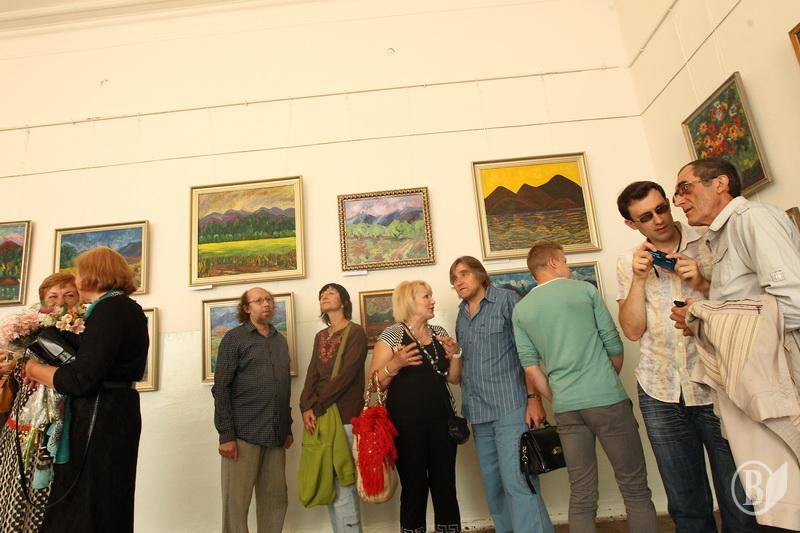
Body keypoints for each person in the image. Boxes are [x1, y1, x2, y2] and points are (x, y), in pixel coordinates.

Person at [615, 180, 757, 531]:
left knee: (739, 493)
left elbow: (745, 311)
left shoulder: (710, 243)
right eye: (646, 217)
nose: (658, 220)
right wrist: (638, 280)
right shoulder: (628, 262)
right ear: (632, 224)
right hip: (659, 389)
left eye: (661, 208)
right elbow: (632, 330)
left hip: (716, 383)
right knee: (685, 501)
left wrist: (703, 283)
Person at [513, 241, 658, 533]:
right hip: (607, 399)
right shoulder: (584, 291)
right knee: (634, 488)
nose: (568, 267)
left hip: (567, 408)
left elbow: (531, 368)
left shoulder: (521, 310)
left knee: (581, 492)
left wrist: (558, 397)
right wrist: (606, 379)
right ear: (553, 262)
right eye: (565, 261)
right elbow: (614, 345)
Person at [25, 247, 149, 533]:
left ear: (95, 274)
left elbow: (81, 379)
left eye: (79, 272)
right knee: (103, 503)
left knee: (88, 507)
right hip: (111, 412)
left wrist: (34, 370)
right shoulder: (119, 308)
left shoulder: (111, 309)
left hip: (100, 414)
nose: (76, 278)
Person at [449, 256, 553, 533]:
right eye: (454, 279)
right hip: (478, 413)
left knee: (518, 482)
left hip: (511, 408)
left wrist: (533, 400)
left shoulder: (507, 301)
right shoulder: (461, 314)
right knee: (494, 487)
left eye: (463, 274)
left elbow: (527, 353)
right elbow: (464, 367)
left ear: (480, 274)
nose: (458, 281)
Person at [369, 280, 463, 533]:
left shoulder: (438, 332)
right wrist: (395, 364)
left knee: (445, 486)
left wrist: (455, 355)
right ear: (409, 302)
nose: (433, 300)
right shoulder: (391, 335)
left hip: (442, 424)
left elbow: (454, 378)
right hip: (406, 428)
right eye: (426, 296)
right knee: (414, 488)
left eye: (431, 295)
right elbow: (374, 383)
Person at [0, 273, 80, 532]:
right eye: (53, 297)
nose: (61, 302)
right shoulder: (30, 335)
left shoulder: (85, 334)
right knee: (14, 494)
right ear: (43, 303)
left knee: (50, 503)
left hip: (60, 430)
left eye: (69, 295)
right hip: (20, 430)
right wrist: (16, 364)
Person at [212, 287, 293, 533]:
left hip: (276, 434)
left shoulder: (280, 341)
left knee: (275, 501)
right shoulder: (234, 339)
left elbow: (283, 386)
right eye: (259, 301)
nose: (266, 304)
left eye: (269, 299)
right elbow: (221, 388)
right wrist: (226, 435)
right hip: (242, 434)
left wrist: (288, 427)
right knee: (236, 505)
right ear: (246, 308)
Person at [299, 283, 367, 532]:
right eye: (321, 294)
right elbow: (312, 373)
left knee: (344, 478)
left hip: (345, 415)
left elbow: (346, 377)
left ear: (344, 301)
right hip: (320, 414)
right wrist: (305, 406)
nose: (324, 296)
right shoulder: (321, 336)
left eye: (331, 292)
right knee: (329, 480)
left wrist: (316, 406)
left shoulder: (355, 332)